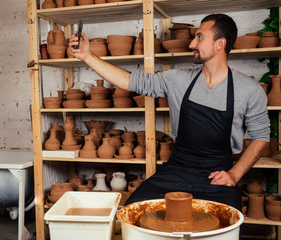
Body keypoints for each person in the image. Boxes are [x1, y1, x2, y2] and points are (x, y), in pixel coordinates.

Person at [69, 13, 270, 211]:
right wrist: (87, 56)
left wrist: (234, 175)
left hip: (217, 177)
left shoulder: (249, 90)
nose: (192, 44)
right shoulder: (177, 79)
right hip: (176, 171)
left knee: (225, 220)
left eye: (199, 37)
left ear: (220, 44)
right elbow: (130, 81)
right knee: (134, 208)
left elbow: (261, 137)